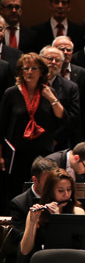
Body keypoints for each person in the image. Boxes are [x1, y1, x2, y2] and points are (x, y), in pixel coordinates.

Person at [0, 53, 65, 194]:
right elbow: (1, 125)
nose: (29, 72)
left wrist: (52, 98)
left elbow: (62, 117)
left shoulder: (48, 92)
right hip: (17, 152)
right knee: (15, 190)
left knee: (42, 189)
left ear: (41, 71)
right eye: (26, 68)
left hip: (42, 152)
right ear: (21, 71)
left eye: (34, 68)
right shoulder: (11, 93)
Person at [8, 157, 59, 246]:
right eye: (47, 182)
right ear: (35, 180)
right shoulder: (19, 204)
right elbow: (18, 238)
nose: (52, 186)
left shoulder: (60, 197)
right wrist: (33, 224)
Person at [39, 44, 81, 148]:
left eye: (57, 60)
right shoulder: (31, 83)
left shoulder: (70, 87)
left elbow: (72, 118)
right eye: (49, 59)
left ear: (62, 64)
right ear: (40, 60)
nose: (53, 62)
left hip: (58, 143)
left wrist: (55, 139)